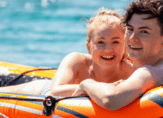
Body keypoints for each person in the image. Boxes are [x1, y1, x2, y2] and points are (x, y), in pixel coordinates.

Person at [71, 0, 163, 111]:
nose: (133, 38)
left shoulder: (148, 73)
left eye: (144, 32)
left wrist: (86, 84)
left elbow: (110, 99)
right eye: (130, 29)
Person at [0, 9, 134, 96]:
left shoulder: (130, 71)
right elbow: (55, 91)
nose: (108, 49)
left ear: (125, 46)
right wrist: (92, 87)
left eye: (116, 42)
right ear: (89, 48)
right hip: (42, 93)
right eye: (100, 42)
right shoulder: (76, 61)